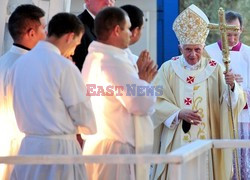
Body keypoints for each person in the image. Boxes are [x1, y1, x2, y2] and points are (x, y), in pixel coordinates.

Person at [151, 5, 246, 180]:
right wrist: (178, 113)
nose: (193, 54)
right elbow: (155, 100)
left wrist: (232, 87)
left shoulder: (215, 69)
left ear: (203, 47)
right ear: (180, 48)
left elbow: (230, 104)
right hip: (177, 140)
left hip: (206, 141)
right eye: (188, 49)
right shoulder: (168, 69)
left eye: (197, 49)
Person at [9, 12, 96, 180]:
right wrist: (87, 130)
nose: (74, 49)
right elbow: (83, 113)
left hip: (28, 147)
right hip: (59, 149)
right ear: (70, 36)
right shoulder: (65, 67)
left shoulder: (19, 63)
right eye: (77, 43)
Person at [82, 7, 156, 180]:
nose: (130, 34)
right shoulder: (112, 61)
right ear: (116, 30)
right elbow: (140, 104)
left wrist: (138, 79)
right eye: (127, 28)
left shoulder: (97, 56)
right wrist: (144, 81)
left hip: (104, 147)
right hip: (115, 152)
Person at [0, 4, 46, 179]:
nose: (47, 35)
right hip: (24, 145)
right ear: (31, 33)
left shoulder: (3, 61)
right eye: (44, 28)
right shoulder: (32, 66)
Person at [205, 11, 250, 179]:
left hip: (243, 119)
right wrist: (225, 85)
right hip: (218, 118)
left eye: (235, 33)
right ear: (220, 30)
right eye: (228, 34)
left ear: (242, 29)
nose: (231, 39)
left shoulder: (248, 54)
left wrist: (238, 90)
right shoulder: (207, 53)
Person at [72, 0, 116, 71]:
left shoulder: (112, 29)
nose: (108, 2)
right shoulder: (76, 26)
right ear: (87, 1)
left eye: (112, 0)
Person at [120, 4, 157, 82]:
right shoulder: (114, 58)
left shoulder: (132, 58)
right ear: (136, 31)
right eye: (142, 28)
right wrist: (142, 80)